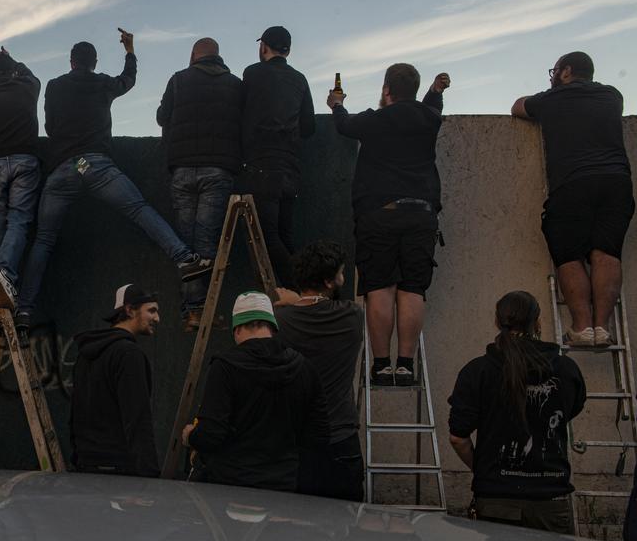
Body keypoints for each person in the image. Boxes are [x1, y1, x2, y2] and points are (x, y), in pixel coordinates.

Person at [16, 30, 211, 330]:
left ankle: (25, 309)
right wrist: (130, 51)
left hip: (63, 167)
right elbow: (127, 80)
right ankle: (183, 258)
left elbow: (50, 125)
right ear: (94, 62)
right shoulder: (102, 83)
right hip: (94, 164)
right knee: (138, 208)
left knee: (43, 239)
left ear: (71, 62)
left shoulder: (54, 86)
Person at [329, 63, 450, 387]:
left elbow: (344, 125)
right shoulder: (429, 119)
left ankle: (382, 364)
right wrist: (435, 92)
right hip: (421, 212)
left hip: (380, 213)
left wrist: (336, 103)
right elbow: (432, 107)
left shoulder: (375, 119)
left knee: (380, 287)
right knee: (412, 288)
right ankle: (406, 364)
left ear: (386, 90)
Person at [512, 51, 633, 347]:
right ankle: (601, 328)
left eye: (554, 71)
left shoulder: (553, 99)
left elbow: (517, 107)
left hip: (573, 183)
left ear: (565, 72)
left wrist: (550, 93)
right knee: (607, 252)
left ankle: (581, 326)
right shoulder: (612, 95)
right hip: (616, 182)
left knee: (568, 254)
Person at [448, 290, 587, 534]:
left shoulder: (477, 371)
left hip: (495, 501)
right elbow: (569, 410)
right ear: (538, 322)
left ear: (496, 321)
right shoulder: (566, 369)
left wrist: (484, 469)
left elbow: (458, 437)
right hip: (550, 503)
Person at [182, 291, 329, 490]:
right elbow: (318, 436)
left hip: (231, 485)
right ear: (272, 327)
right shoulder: (304, 367)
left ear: (237, 329)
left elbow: (211, 435)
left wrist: (190, 436)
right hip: (284, 486)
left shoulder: (225, 367)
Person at [156, 36, 243, 331]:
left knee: (185, 245)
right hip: (218, 169)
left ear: (194, 55)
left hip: (181, 168)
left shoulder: (179, 79)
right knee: (206, 243)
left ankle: (192, 310)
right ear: (218, 56)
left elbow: (160, 117)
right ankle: (197, 312)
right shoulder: (235, 84)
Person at [275, 240, 365, 500]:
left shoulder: (279, 320)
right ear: (328, 282)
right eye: (340, 272)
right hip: (340, 437)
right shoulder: (352, 317)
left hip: (294, 441)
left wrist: (293, 302)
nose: (343, 278)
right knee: (344, 527)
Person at [239, 26, 314, 287]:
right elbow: (309, 127)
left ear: (263, 47)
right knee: (285, 235)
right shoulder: (300, 79)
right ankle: (298, 295)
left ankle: (304, 288)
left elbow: (240, 111)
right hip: (290, 166)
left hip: (261, 165)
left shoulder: (252, 73)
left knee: (265, 236)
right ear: (289, 50)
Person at [68, 284, 162, 477]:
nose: (157, 318)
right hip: (120, 474)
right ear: (129, 310)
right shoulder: (129, 354)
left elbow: (75, 414)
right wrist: (150, 476)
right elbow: (138, 419)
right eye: (151, 311)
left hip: (86, 469)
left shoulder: (85, 353)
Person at [0, 47, 41, 310]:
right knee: (18, 221)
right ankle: (5, 274)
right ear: (13, 70)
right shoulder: (28, 86)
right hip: (25, 160)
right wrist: (16, 61)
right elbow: (32, 77)